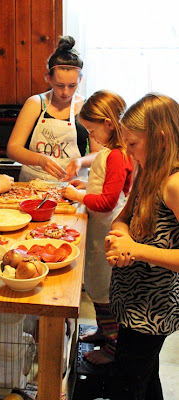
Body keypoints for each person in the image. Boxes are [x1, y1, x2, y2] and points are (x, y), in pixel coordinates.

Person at [105, 93, 179, 398]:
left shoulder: (174, 183)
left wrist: (136, 250)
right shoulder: (147, 171)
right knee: (145, 380)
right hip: (131, 301)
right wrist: (120, 239)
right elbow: (122, 218)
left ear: (160, 138)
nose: (130, 153)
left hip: (153, 310)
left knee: (128, 384)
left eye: (133, 144)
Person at [62, 90, 133, 365]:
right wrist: (85, 186)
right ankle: (104, 334)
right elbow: (102, 187)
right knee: (96, 282)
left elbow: (107, 201)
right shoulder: (108, 152)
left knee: (104, 289)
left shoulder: (117, 155)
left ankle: (113, 349)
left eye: (92, 130)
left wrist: (78, 196)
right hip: (98, 229)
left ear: (108, 123)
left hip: (108, 229)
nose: (91, 136)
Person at [6, 35, 101, 182]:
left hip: (72, 187)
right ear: (49, 78)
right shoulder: (36, 103)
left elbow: (97, 152)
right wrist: (40, 160)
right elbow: (13, 148)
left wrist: (80, 161)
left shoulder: (86, 107)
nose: (66, 92)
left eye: (72, 86)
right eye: (59, 85)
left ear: (80, 80)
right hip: (33, 184)